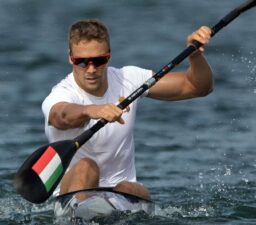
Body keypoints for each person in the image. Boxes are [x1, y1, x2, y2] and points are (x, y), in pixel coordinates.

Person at [42, 19, 213, 213]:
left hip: (119, 196)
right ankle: (84, 213)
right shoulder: (61, 93)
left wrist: (195, 56)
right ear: (70, 58)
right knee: (86, 167)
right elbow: (60, 116)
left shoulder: (129, 79)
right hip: (73, 195)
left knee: (130, 188)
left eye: (98, 61)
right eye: (81, 61)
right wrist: (91, 110)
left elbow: (198, 87)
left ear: (109, 57)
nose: (90, 69)